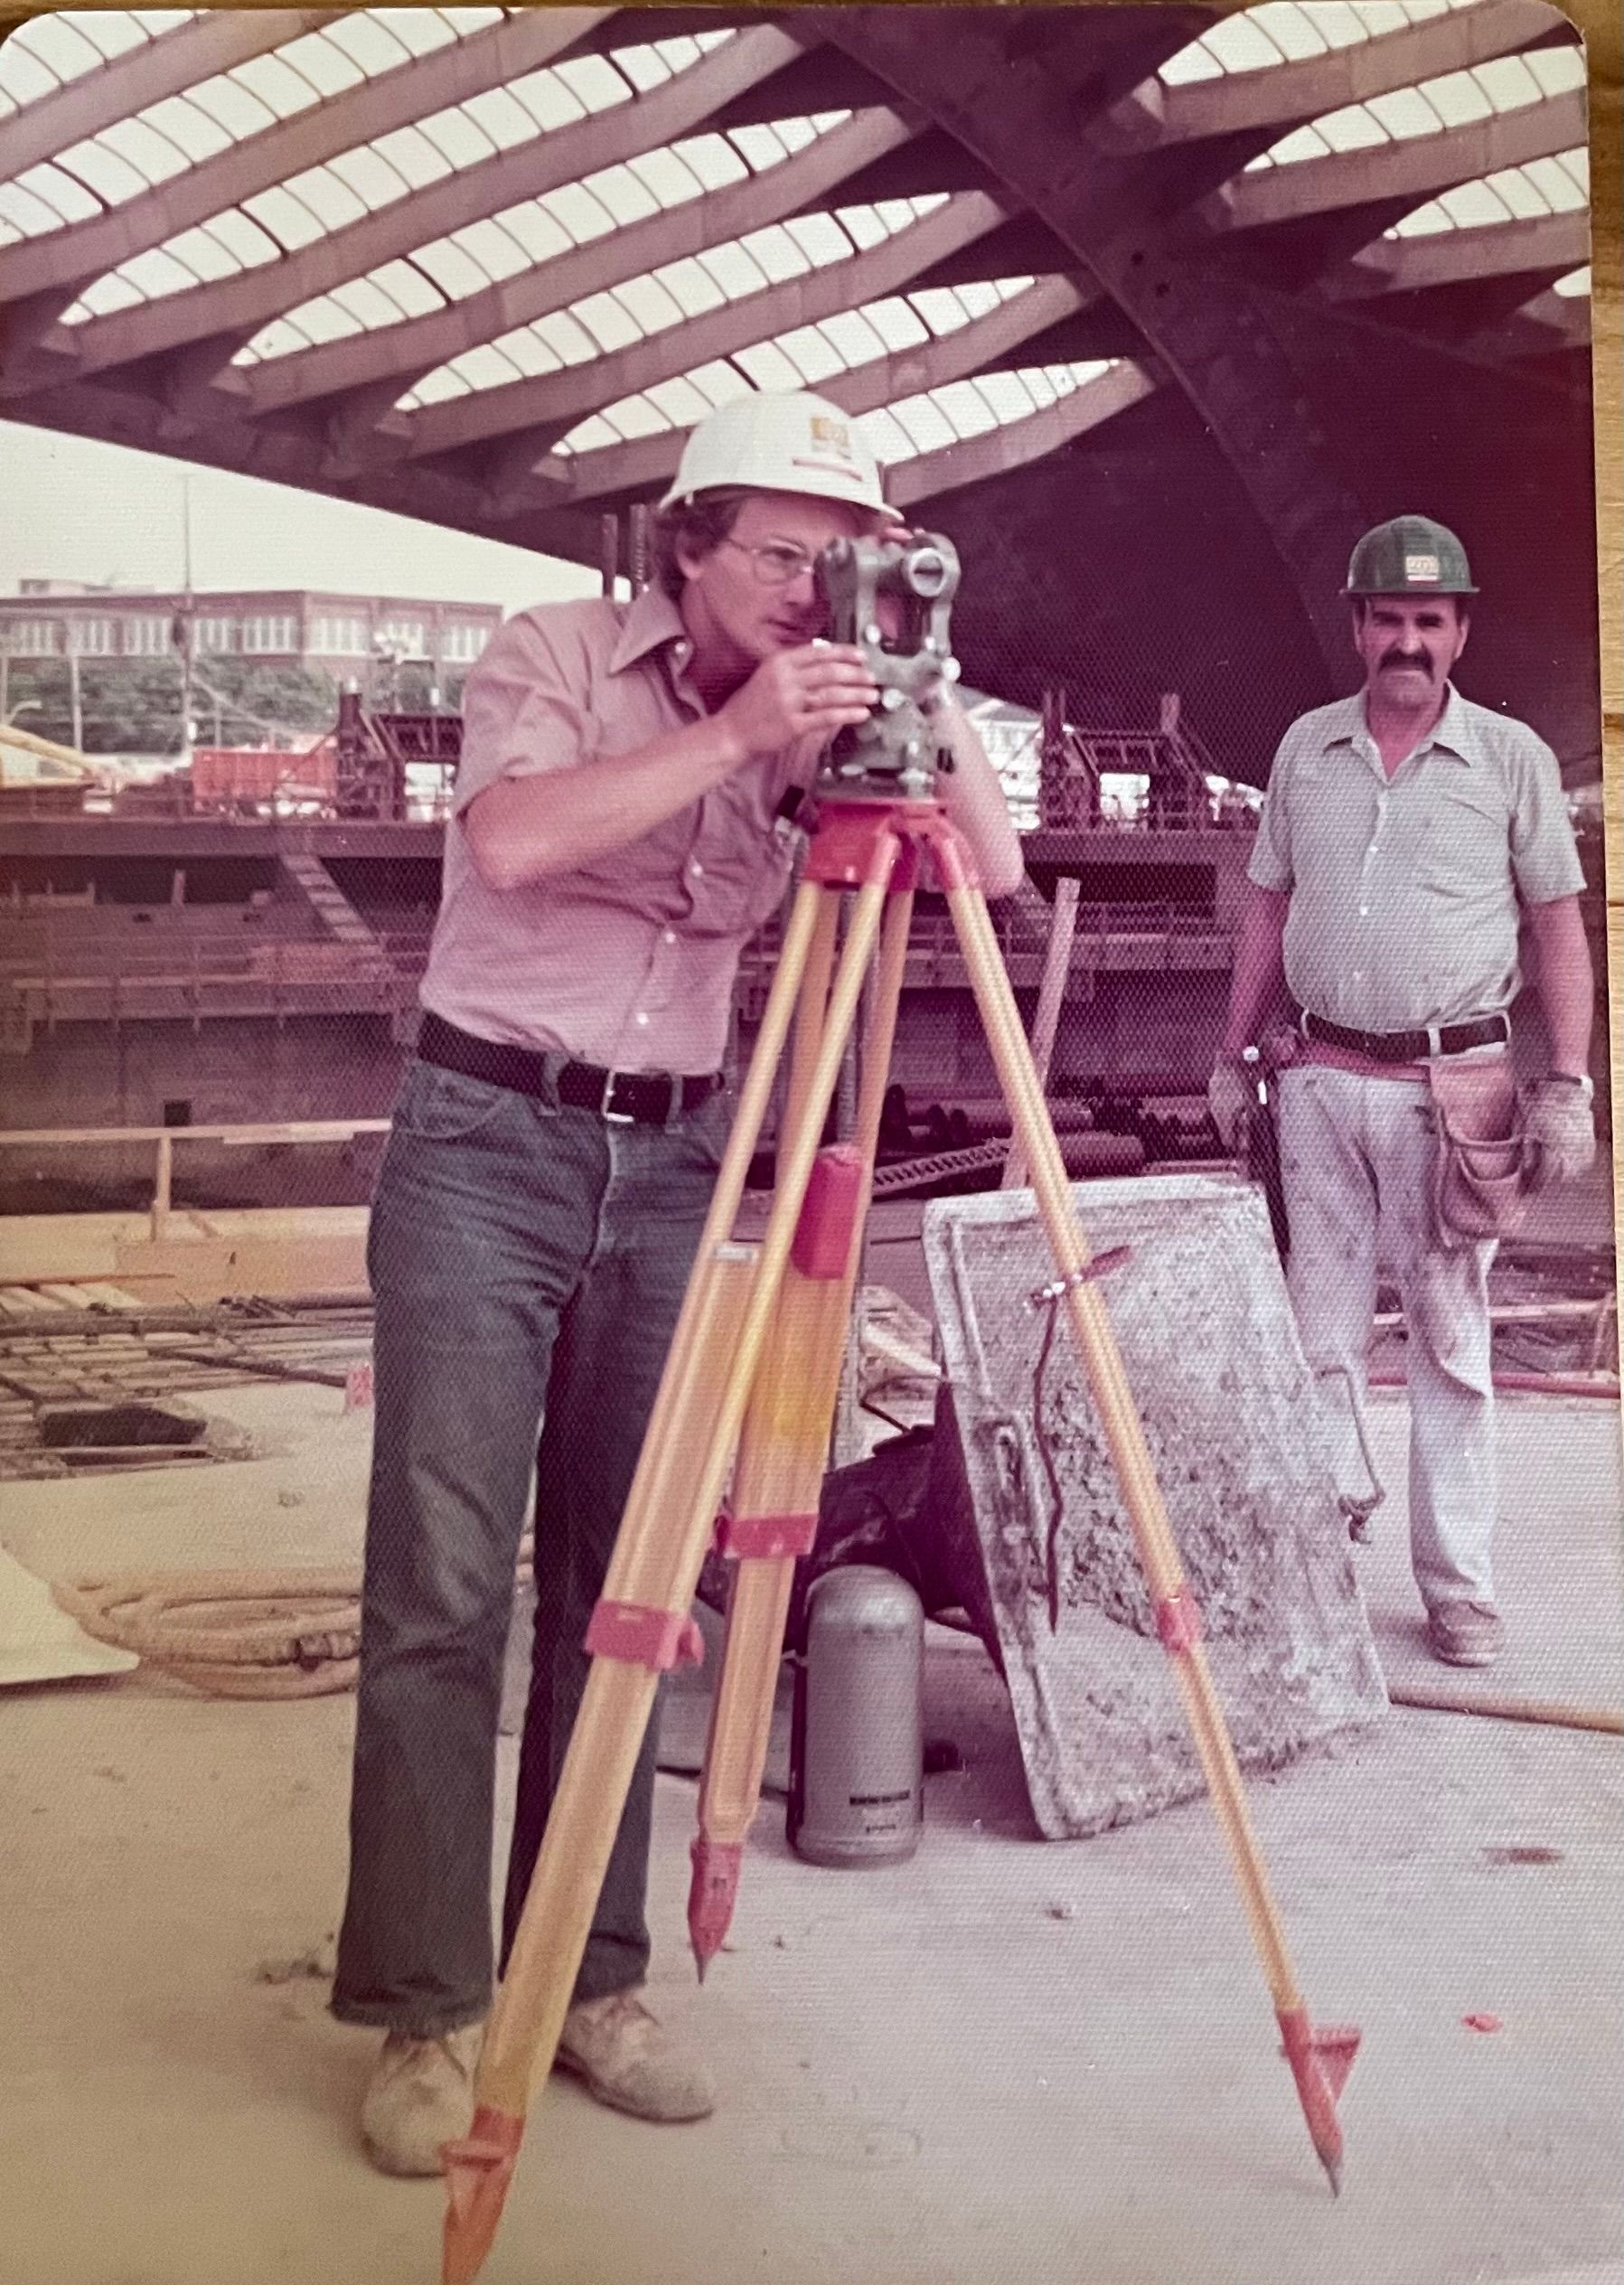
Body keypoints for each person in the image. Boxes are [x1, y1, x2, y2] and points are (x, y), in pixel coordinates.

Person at [330, 389, 1025, 2176]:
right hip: (486, 1145)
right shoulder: (549, 650)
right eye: (785, 553)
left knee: (626, 1589)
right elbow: (509, 842)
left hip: (674, 1162)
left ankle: (591, 1978)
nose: (814, 585)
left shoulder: (843, 682)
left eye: (844, 554)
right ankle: (425, 2001)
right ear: (689, 546)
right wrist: (736, 739)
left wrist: (920, 685)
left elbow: (994, 873)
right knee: (442, 1582)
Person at [1208, 514, 1595, 1671]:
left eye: (1431, 620)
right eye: (1390, 619)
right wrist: (1236, 1053)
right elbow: (1267, 910)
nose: (1409, 641)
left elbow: (1559, 928)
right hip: (1320, 1077)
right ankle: (1320, 1552)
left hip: (1454, 1092)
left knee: (1449, 1343)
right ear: (1359, 626)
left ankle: (1460, 1590)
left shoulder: (1514, 760)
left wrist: (1568, 1082)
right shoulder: (1303, 750)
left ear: (1460, 630)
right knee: (1316, 1329)